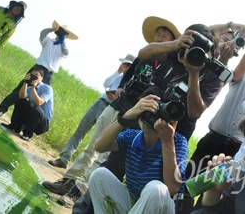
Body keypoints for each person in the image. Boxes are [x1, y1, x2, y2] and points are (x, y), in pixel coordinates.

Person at [42, 16, 180, 206]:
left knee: (103, 157)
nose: (160, 37)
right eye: (158, 33)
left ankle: (78, 192)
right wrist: (122, 87)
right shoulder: (145, 56)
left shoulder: (171, 66)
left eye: (165, 35)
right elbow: (129, 74)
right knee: (93, 145)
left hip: (135, 116)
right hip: (117, 105)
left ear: (173, 41)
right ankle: (67, 181)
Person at [188, 28, 245, 176]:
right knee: (188, 180)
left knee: (212, 193)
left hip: (236, 148)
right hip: (213, 138)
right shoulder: (242, 80)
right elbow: (240, 67)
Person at [88, 93, 188, 214]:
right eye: (148, 110)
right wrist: (127, 115)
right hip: (135, 204)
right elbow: (99, 146)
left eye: (157, 113)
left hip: (161, 207)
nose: (151, 117)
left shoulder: (177, 141)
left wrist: (167, 142)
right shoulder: (132, 136)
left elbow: (172, 188)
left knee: (156, 188)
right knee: (100, 175)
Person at [48, 53, 135, 169]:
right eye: (124, 64)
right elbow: (106, 83)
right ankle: (64, 158)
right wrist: (118, 72)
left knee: (96, 139)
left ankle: (81, 169)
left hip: (110, 108)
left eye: (128, 66)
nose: (125, 67)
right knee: (81, 130)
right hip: (101, 101)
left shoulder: (130, 81)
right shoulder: (119, 76)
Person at [0, 20, 77, 117]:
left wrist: (62, 42)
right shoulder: (48, 41)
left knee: (38, 96)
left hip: (48, 74)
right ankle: (1, 109)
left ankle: (24, 123)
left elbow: (66, 53)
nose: (62, 34)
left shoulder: (64, 48)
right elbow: (42, 34)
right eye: (61, 31)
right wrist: (52, 29)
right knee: (21, 89)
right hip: (38, 69)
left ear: (66, 36)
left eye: (64, 33)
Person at [0, 65, 53, 141]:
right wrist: (25, 83)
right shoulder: (29, 87)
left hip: (42, 123)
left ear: (41, 78)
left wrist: (33, 88)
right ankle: (15, 127)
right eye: (32, 75)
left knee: (36, 109)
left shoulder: (48, 89)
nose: (33, 77)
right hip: (32, 116)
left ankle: (27, 134)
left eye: (36, 75)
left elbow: (39, 102)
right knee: (20, 101)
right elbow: (22, 96)